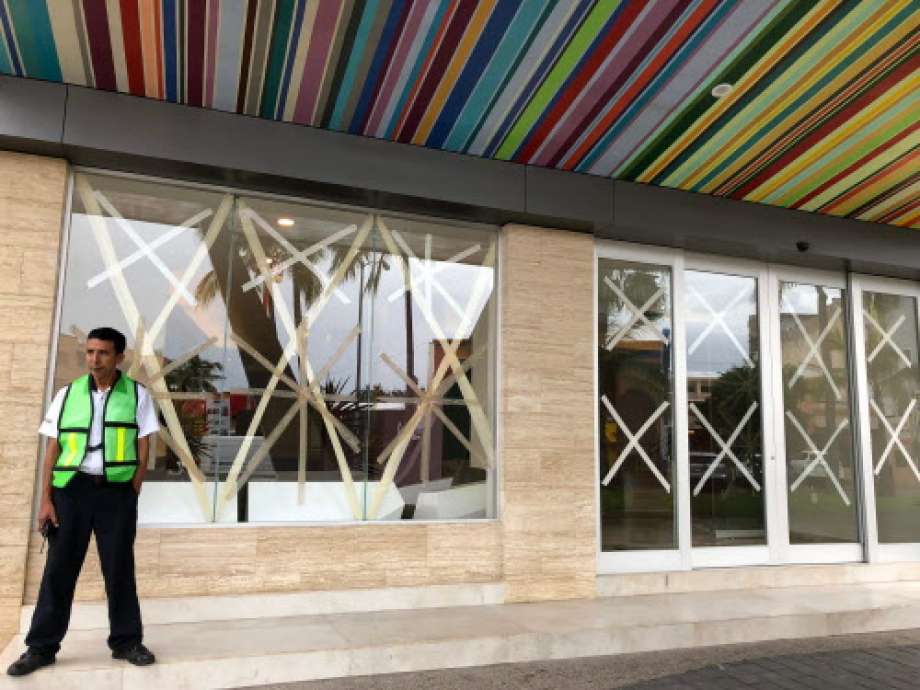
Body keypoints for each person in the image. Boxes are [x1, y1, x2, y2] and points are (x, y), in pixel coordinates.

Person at [6, 327, 159, 677]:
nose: (94, 359)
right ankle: (41, 648)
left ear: (119, 357)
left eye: (103, 353)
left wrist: (133, 489)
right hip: (71, 492)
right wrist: (46, 500)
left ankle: (127, 642)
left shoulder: (137, 394)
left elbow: (144, 443)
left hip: (116, 495)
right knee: (59, 570)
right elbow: (53, 448)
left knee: (119, 569)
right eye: (90, 352)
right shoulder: (67, 394)